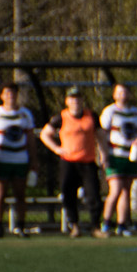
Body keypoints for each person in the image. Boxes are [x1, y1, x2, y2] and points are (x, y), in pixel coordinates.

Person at [40, 90, 104, 237]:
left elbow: (100, 136)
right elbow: (45, 134)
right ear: (67, 101)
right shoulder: (61, 117)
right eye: (72, 99)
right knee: (68, 194)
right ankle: (74, 226)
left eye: (78, 98)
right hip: (69, 162)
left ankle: (95, 226)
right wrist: (56, 149)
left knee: (93, 194)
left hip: (88, 161)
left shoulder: (91, 116)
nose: (76, 102)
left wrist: (104, 155)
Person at [0, 83, 37, 237]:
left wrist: (33, 160)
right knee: (0, 194)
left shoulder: (25, 114)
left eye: (13, 93)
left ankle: (21, 227)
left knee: (20, 194)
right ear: (1, 96)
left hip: (20, 159)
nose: (10, 96)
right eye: (7, 93)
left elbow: (30, 138)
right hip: (1, 158)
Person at [98, 82, 137, 237]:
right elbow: (101, 133)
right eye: (119, 92)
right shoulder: (110, 111)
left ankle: (122, 224)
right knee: (115, 189)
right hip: (115, 155)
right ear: (114, 95)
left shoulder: (135, 112)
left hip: (129, 156)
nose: (122, 95)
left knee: (125, 191)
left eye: (125, 92)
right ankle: (106, 222)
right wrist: (103, 154)